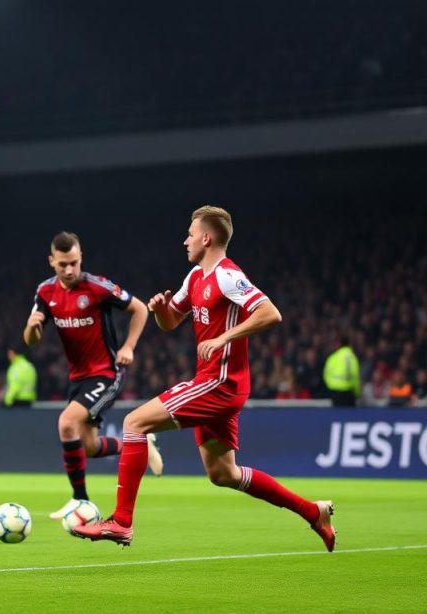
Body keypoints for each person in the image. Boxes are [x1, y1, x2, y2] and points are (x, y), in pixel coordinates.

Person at [74, 206, 336, 551]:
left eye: (191, 234)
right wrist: (160, 311)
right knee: (224, 474)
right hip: (216, 382)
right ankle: (313, 512)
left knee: (134, 423)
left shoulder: (227, 276)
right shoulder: (196, 277)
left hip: (221, 383)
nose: (186, 240)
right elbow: (171, 322)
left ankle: (122, 522)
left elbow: (270, 313)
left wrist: (224, 338)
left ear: (207, 238)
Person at [23, 231, 160, 521]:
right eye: (63, 264)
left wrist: (129, 346)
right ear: (51, 261)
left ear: (81, 257)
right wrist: (32, 329)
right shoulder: (45, 292)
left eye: (73, 263)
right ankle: (140, 444)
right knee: (90, 447)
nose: (69, 270)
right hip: (78, 378)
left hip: (106, 374)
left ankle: (80, 500)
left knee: (66, 422)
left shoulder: (97, 287)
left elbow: (140, 309)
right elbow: (31, 341)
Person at [323, 335, 360, 406]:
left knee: (337, 413)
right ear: (349, 344)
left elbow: (326, 375)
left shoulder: (333, 357)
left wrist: (331, 387)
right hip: (349, 392)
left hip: (336, 392)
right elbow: (356, 377)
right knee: (349, 413)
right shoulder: (353, 358)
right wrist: (356, 392)